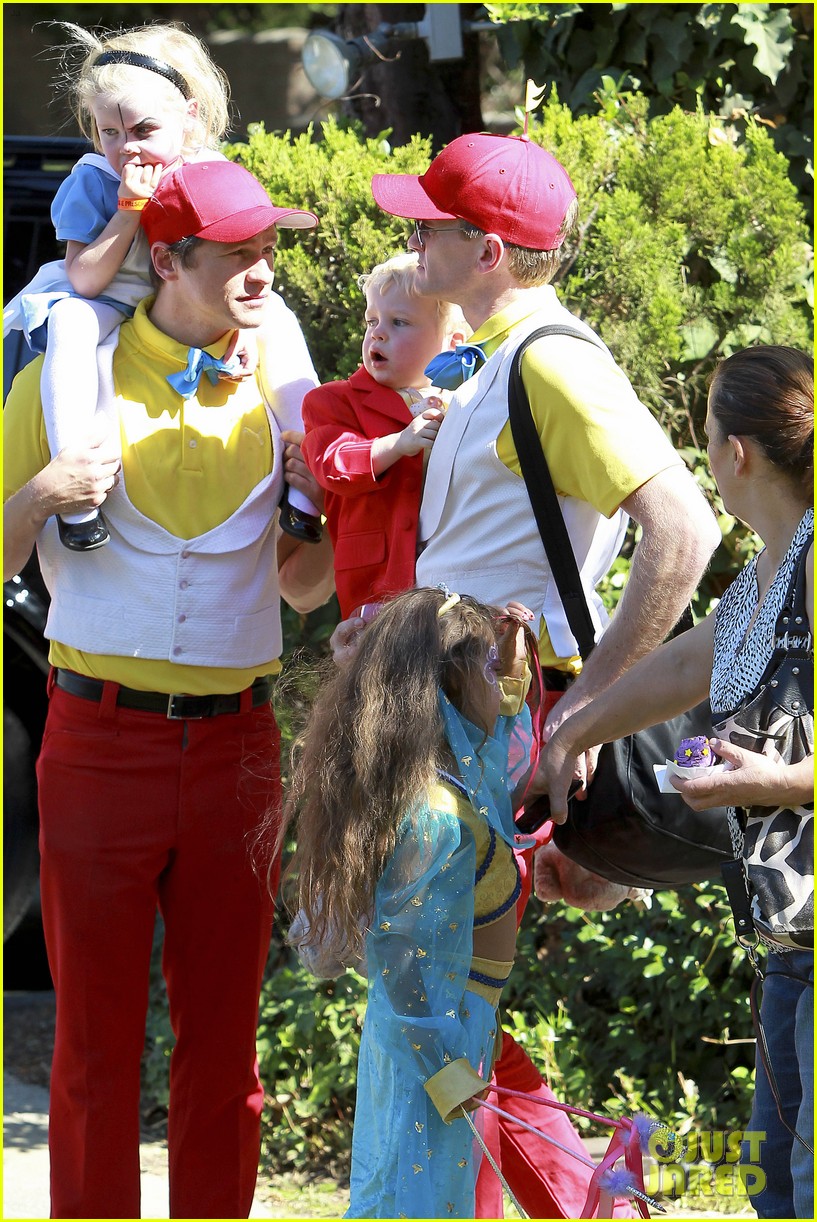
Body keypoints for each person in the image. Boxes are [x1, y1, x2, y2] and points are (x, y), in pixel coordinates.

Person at [368, 131, 721, 1216]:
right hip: (453, 711)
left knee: (422, 1006)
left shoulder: (552, 359)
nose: (410, 231)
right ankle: (590, 1192)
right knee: (424, 1005)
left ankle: (586, 1192)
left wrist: (588, 721)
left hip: (493, 725)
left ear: (486, 248)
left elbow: (684, 532)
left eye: (429, 220)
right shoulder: (494, 355)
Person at [3, 159, 335, 1219]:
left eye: (268, 248)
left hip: (239, 743)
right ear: (167, 259)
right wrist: (45, 493)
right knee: (95, 1047)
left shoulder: (289, 394)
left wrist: (331, 509)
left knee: (224, 1046)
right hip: (98, 740)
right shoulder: (64, 375)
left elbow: (301, 591)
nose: (261, 270)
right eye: (237, 252)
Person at [545, 345, 813, 1220]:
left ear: (735, 452)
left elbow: (780, 768)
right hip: (787, 940)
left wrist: (774, 782)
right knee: (775, 1184)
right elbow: (685, 667)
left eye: (703, 435)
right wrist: (574, 733)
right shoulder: (770, 573)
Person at [3, 21, 319, 552]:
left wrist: (239, 330)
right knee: (71, 322)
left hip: (186, 309)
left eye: (143, 130)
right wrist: (129, 207)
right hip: (109, 298)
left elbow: (233, 267)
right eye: (109, 132)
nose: (126, 148)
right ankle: (77, 484)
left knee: (277, 317)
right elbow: (84, 278)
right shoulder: (94, 178)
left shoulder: (208, 171)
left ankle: (314, 479)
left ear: (188, 117)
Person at [280, 586, 538, 1218]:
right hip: (430, 1033)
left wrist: (510, 654)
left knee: (437, 1194)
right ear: (448, 685)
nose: (499, 685)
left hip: (456, 1025)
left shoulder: (459, 775)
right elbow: (395, 950)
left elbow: (506, 718)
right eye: (485, 669)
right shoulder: (434, 809)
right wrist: (441, 1062)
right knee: (407, 1195)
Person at [301, 252, 467, 618]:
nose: (378, 332)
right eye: (372, 320)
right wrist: (396, 444)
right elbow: (332, 462)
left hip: (448, 585)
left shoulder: (466, 401)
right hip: (373, 586)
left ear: (451, 342)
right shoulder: (333, 400)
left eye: (399, 322)